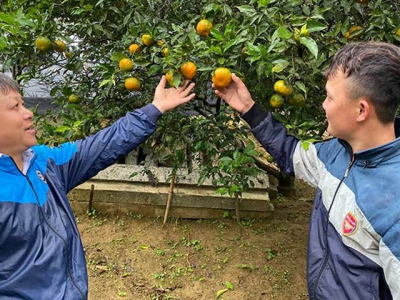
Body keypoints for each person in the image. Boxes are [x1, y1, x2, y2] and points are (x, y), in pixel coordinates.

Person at [213, 41, 400, 299]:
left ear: (361, 110)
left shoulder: (394, 204)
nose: (323, 105)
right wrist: (248, 109)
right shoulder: (335, 153)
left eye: (330, 97)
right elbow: (291, 154)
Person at [0, 73, 195, 299]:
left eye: (23, 103)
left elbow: (102, 145)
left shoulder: (45, 162)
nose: (28, 112)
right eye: (15, 106)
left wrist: (156, 107)